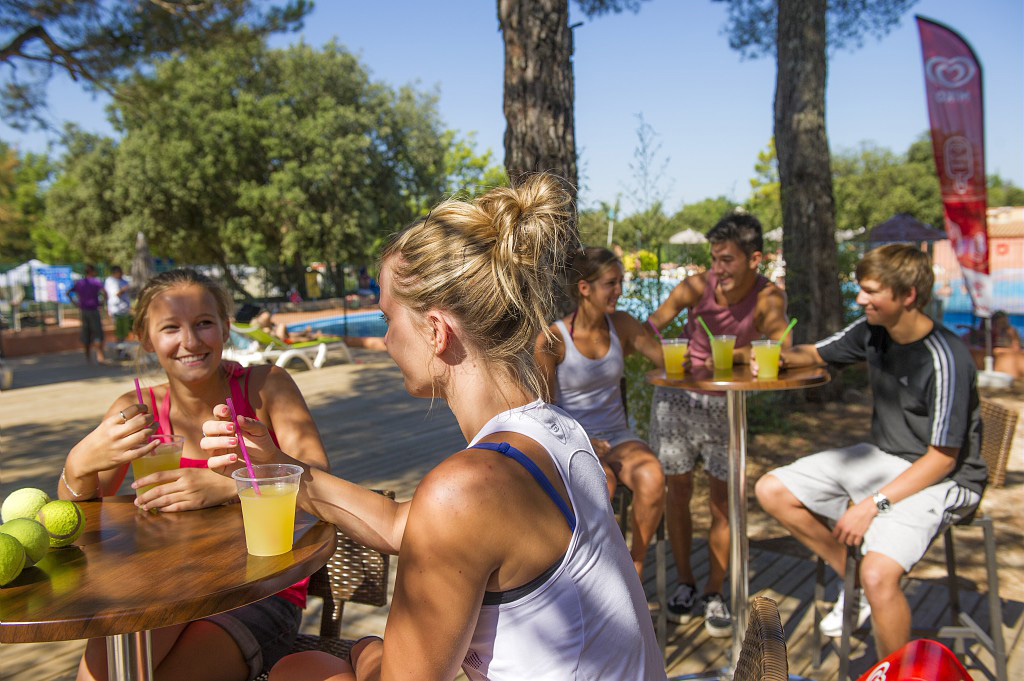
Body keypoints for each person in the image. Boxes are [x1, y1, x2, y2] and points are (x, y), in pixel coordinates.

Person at [201, 174, 667, 681]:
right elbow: (407, 524)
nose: (386, 342)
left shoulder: (465, 490)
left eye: (387, 321)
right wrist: (284, 469)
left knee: (297, 670)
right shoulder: (556, 430)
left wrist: (365, 652)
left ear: (436, 331)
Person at [58, 268, 330, 681]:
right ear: (145, 339)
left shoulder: (265, 386)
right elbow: (72, 524)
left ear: (225, 326)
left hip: (260, 588)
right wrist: (78, 467)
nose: (190, 341)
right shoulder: (134, 410)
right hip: (158, 582)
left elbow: (320, 476)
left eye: (203, 323)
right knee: (106, 675)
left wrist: (226, 484)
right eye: (171, 327)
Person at [753, 244, 987, 661]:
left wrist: (870, 506)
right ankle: (852, 578)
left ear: (908, 295)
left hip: (945, 478)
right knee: (772, 489)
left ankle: (890, 664)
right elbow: (814, 353)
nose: (860, 299)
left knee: (881, 574)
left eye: (871, 291)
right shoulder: (872, 331)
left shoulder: (947, 357)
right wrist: (767, 358)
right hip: (884, 458)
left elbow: (944, 458)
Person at [645, 213, 790, 637]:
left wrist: (734, 357)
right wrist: (663, 354)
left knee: (723, 502)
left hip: (726, 408)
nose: (718, 270)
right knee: (678, 494)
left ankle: (714, 591)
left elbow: (783, 348)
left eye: (727, 260)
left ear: (755, 259)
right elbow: (649, 327)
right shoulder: (695, 286)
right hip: (676, 402)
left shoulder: (768, 297)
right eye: (714, 259)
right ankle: (686, 583)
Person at [534, 246, 666, 579]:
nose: (619, 291)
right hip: (572, 442)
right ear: (584, 288)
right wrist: (583, 441)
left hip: (618, 436)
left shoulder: (621, 324)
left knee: (653, 477)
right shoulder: (553, 339)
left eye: (620, 282)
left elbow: (667, 359)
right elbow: (543, 412)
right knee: (601, 484)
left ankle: (633, 567)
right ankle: (596, 573)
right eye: (611, 283)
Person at [68, 264, 108, 365]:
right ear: (92, 271)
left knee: (86, 334)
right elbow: (105, 293)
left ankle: (88, 357)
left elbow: (68, 293)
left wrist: (75, 303)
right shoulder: (96, 282)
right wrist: (102, 302)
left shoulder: (80, 283)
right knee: (97, 333)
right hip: (94, 310)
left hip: (84, 311)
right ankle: (100, 356)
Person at [103, 265, 133, 359]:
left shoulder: (123, 281)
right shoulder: (110, 281)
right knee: (119, 333)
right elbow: (116, 294)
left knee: (125, 332)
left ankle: (123, 352)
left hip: (125, 310)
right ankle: (120, 352)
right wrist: (124, 289)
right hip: (117, 311)